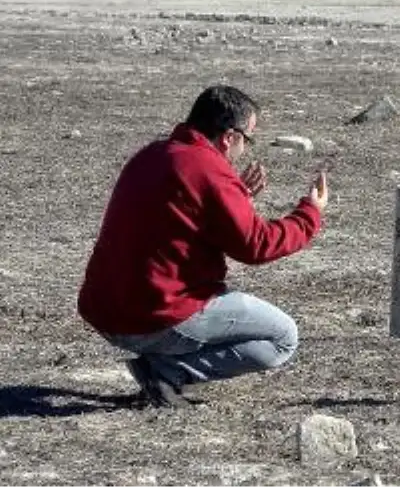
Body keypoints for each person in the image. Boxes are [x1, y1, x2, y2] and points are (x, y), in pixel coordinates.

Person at [77, 85, 328, 407]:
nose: (244, 149)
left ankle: (162, 363)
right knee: (282, 338)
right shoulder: (208, 170)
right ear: (229, 136)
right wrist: (310, 213)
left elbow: (178, 220)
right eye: (247, 139)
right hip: (152, 315)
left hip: (105, 309)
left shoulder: (151, 154)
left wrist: (238, 200)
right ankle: (165, 371)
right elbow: (256, 246)